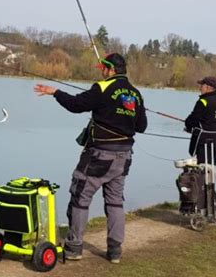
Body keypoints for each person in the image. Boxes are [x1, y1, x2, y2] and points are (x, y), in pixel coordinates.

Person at [34, 53, 147, 263]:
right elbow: (141, 126)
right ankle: (115, 251)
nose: (101, 71)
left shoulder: (102, 88)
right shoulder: (136, 94)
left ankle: (74, 247)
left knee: (80, 198)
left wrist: (55, 92)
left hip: (99, 156)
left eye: (102, 68)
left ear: (111, 69)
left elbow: (76, 105)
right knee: (114, 203)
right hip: (124, 157)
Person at [184, 76, 216, 165]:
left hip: (205, 142)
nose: (200, 88)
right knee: (210, 170)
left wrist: (188, 125)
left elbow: (192, 120)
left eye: (202, 85)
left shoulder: (204, 101)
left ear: (208, 87)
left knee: (202, 171)